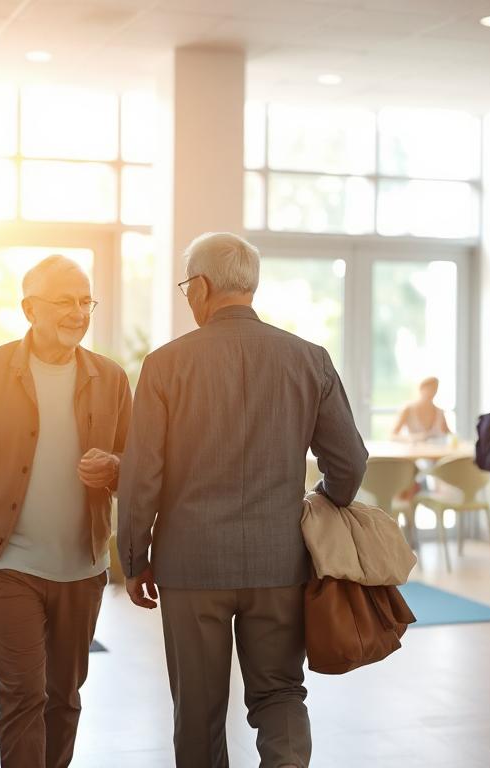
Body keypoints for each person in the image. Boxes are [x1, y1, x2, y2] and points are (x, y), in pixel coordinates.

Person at [118, 232, 368, 768]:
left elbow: (142, 477)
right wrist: (322, 503)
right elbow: (350, 462)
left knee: (199, 708)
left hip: (190, 565)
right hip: (279, 560)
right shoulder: (309, 359)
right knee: (279, 693)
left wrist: (134, 558)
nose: (188, 296)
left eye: (188, 285)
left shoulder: (165, 365)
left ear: (203, 287)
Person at [0, 255, 130, 768]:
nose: (78, 312)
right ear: (29, 308)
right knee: (23, 695)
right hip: (5, 563)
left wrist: (114, 466)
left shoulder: (110, 378)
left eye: (86, 301)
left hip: (82, 568)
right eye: (65, 301)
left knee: (64, 698)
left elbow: (139, 467)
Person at [391, 376, 451, 443]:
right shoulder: (408, 410)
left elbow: (450, 435)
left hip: (436, 452)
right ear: (421, 389)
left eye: (435, 389)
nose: (432, 392)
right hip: (413, 452)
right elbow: (392, 436)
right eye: (429, 389)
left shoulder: (439, 412)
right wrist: (414, 438)